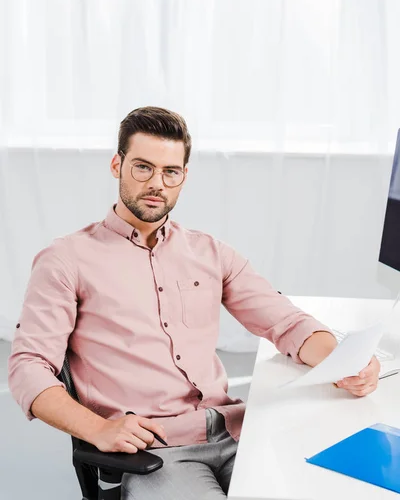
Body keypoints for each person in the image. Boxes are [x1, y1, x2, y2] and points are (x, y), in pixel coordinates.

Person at [8, 106, 381, 499]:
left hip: (236, 430)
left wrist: (343, 362)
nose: (156, 183)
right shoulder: (66, 259)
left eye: (170, 171)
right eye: (142, 167)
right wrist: (97, 428)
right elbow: (28, 368)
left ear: (183, 177)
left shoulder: (209, 252)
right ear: (117, 165)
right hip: (157, 451)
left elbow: (285, 322)